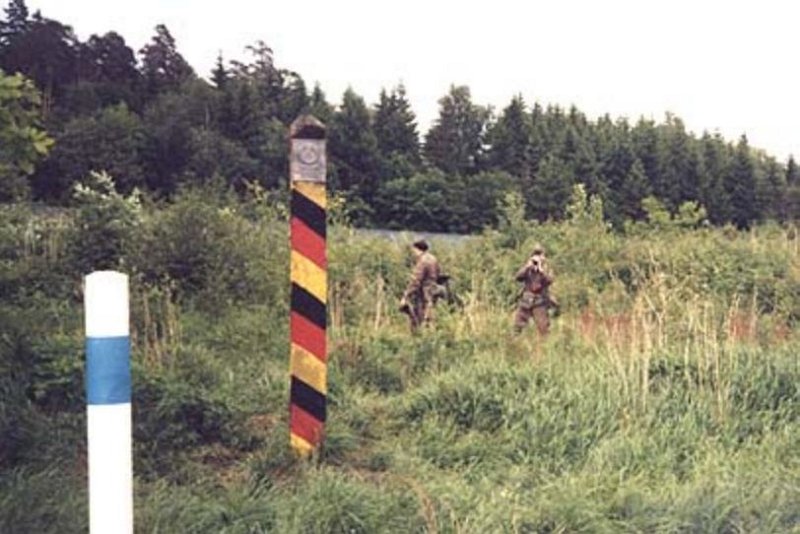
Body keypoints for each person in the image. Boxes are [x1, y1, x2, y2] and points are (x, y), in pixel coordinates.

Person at [399, 239, 442, 332]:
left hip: (424, 290)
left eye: (414, 250)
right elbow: (439, 273)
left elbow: (416, 280)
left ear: (418, 249)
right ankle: (431, 332)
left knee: (421, 314)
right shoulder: (433, 258)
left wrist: (406, 295)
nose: (413, 252)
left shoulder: (422, 261)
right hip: (433, 289)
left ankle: (420, 333)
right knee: (431, 311)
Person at [513, 244, 555, 335]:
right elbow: (518, 277)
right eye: (536, 255)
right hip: (526, 301)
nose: (538, 258)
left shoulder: (546, 268)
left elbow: (549, 281)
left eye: (540, 255)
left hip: (540, 302)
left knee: (544, 329)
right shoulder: (528, 268)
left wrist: (541, 270)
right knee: (517, 327)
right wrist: (527, 267)